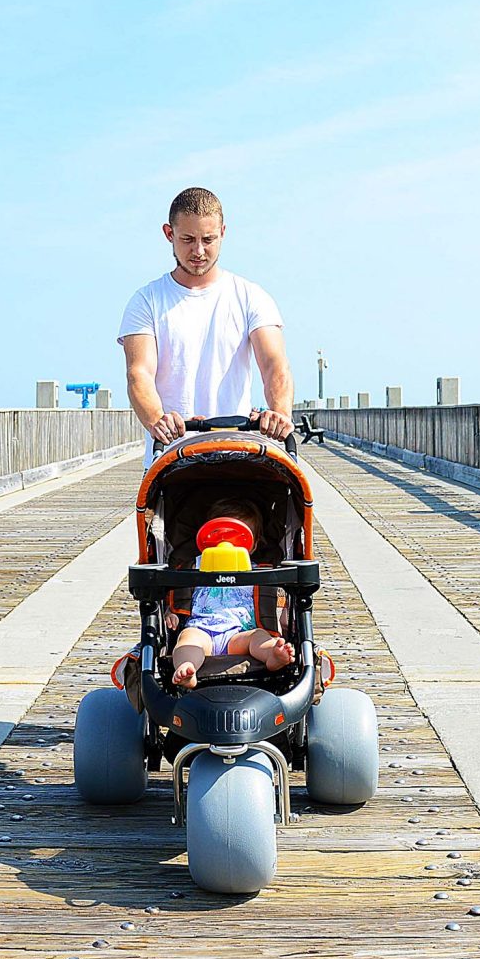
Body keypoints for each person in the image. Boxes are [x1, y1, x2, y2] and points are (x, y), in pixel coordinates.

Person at [118, 187, 294, 467]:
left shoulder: (251, 296)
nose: (198, 251)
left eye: (208, 239)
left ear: (223, 232)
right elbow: (138, 374)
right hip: (172, 456)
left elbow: (275, 365)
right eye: (187, 239)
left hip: (238, 451)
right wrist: (157, 419)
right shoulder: (146, 301)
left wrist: (280, 413)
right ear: (169, 234)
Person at [166, 498, 294, 689]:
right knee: (187, 639)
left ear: (253, 544)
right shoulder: (194, 567)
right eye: (220, 535)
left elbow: (277, 601)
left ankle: (273, 656)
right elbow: (180, 596)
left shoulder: (260, 572)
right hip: (202, 629)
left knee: (259, 637)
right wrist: (171, 613)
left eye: (239, 538)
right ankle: (187, 668)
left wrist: (286, 619)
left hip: (240, 634)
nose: (229, 544)